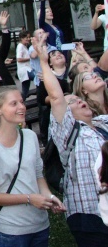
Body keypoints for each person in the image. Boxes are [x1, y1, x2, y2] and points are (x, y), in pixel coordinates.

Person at [34, 33, 108, 246]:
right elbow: (57, 98)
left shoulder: (102, 125)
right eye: (72, 102)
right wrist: (42, 60)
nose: (77, 101)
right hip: (89, 215)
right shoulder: (69, 133)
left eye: (77, 99)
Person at [0, 87, 64, 247]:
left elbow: (38, 174)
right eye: (13, 103)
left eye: (22, 102)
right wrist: (29, 198)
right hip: (12, 230)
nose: (21, 107)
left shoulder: (30, 136)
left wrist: (49, 197)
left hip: (40, 223)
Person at [16, 30, 33, 100]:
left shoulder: (24, 46)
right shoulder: (20, 46)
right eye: (26, 37)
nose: (28, 39)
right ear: (21, 38)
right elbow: (19, 59)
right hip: (24, 69)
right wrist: (30, 58)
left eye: (29, 37)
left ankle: (22, 100)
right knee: (37, 78)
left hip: (26, 69)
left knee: (25, 89)